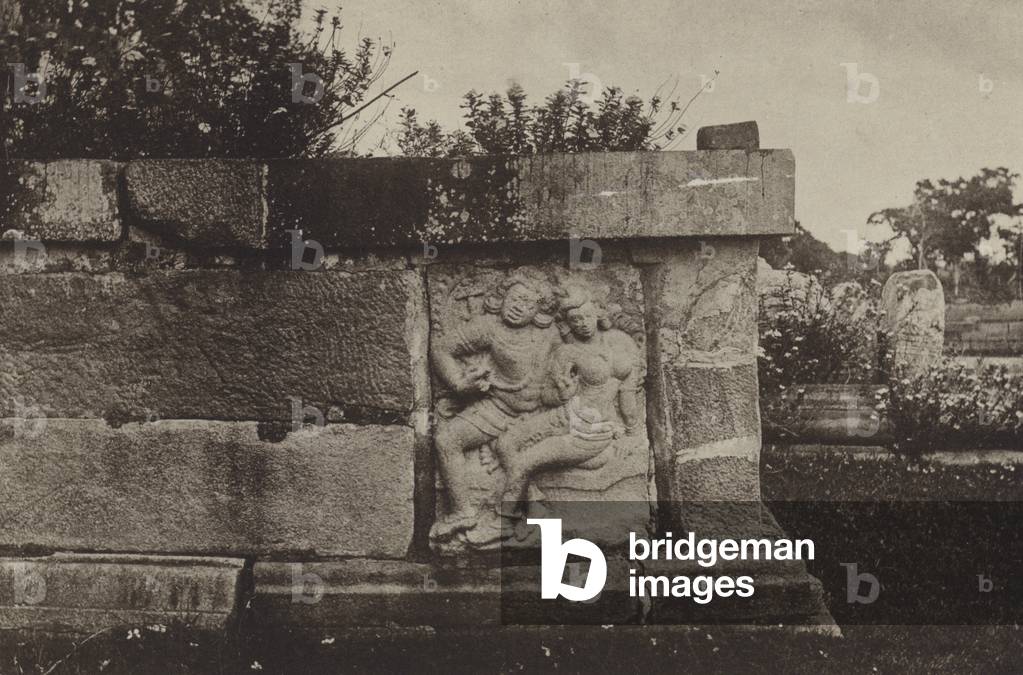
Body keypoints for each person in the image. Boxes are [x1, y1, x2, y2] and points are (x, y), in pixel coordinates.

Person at [429, 273, 561, 542]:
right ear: (502, 297)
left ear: (538, 311)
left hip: (543, 412)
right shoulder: (490, 328)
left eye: (527, 303)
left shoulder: (551, 333)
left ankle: (521, 510)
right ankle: (463, 511)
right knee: (446, 439)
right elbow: (441, 347)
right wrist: (459, 383)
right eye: (514, 298)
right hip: (500, 407)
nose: (518, 306)